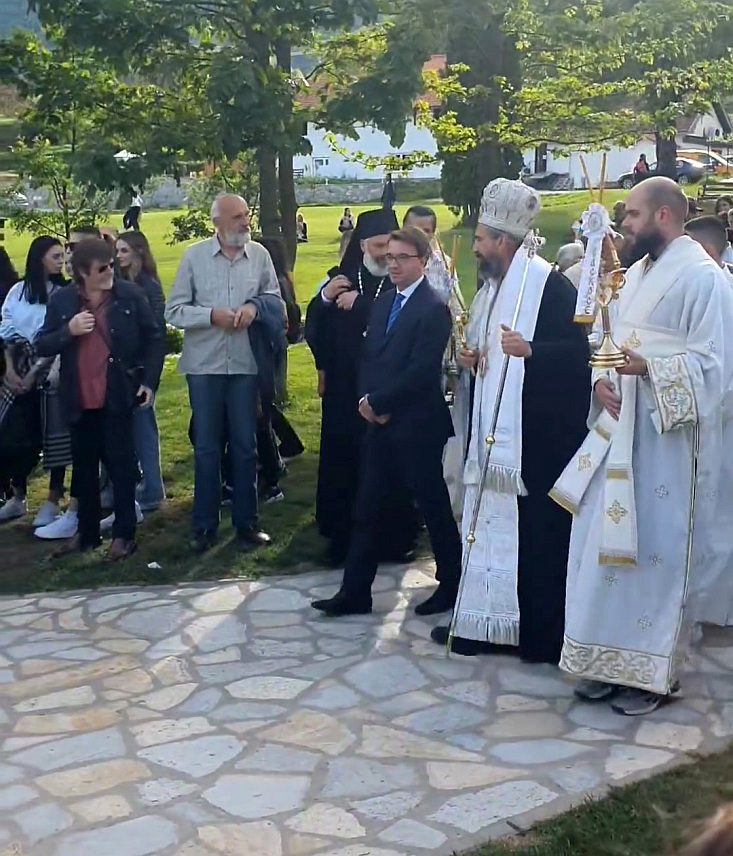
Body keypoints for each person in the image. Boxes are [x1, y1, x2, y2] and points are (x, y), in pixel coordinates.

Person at [554, 177, 733, 715]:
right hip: (619, 433)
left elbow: (717, 369)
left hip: (669, 445)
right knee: (605, 545)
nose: (623, 225)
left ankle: (655, 674)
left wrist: (648, 369)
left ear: (662, 216)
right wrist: (601, 382)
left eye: (631, 215)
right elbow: (607, 343)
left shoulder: (706, 280)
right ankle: (605, 661)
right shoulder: (633, 275)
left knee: (658, 551)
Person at [433, 178, 591, 663]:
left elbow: (581, 356)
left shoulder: (550, 285)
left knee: (537, 546)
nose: (476, 247)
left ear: (503, 241)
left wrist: (531, 351)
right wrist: (476, 355)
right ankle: (485, 624)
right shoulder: (495, 286)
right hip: (498, 441)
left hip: (537, 448)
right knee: (488, 535)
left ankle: (537, 636)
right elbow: (491, 348)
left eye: (480, 239)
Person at [312, 226, 461, 617]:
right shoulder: (383, 302)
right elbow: (371, 356)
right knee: (367, 506)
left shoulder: (433, 308)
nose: (392, 265)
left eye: (401, 258)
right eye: (389, 257)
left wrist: (381, 400)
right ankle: (355, 591)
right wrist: (369, 402)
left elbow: (422, 370)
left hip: (417, 425)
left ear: (423, 261)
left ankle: (453, 583)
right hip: (379, 422)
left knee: (432, 507)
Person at [165, 194, 282, 554]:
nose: (245, 222)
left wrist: (253, 308)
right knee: (206, 447)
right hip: (205, 366)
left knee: (246, 447)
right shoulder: (195, 257)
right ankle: (204, 525)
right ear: (217, 222)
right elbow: (173, 310)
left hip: (246, 364)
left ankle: (247, 523)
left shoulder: (260, 255)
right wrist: (210, 316)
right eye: (236, 217)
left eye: (247, 214)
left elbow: (275, 299)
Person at [36, 238, 164, 560]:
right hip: (79, 397)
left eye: (111, 265)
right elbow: (43, 344)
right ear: (82, 272)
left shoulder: (129, 296)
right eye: (102, 268)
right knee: (84, 469)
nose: (111, 271)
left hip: (117, 395)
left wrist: (148, 381)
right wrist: (70, 330)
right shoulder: (64, 302)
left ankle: (124, 535)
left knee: (121, 468)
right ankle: (87, 534)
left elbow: (154, 337)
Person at [304, 208, 420, 566]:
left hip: (388, 387)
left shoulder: (402, 280)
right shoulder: (342, 277)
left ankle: (395, 539)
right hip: (345, 389)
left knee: (389, 463)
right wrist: (324, 300)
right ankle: (341, 538)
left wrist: (360, 305)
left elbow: (410, 316)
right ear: (364, 245)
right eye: (380, 245)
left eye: (391, 245)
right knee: (345, 461)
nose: (387, 254)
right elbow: (314, 324)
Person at [0, 236, 71, 527]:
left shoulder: (64, 292)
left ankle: (54, 499)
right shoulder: (18, 291)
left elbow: (58, 337)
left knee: (53, 432)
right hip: (18, 364)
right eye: (55, 255)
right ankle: (17, 496)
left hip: (52, 367)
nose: (60, 261)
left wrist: (33, 374)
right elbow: (6, 331)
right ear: (39, 257)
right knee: (12, 434)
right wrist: (10, 371)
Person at [116, 231, 167, 514]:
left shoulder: (148, 285)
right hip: (127, 368)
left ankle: (152, 489)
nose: (119, 255)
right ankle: (143, 485)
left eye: (123, 250)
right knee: (133, 430)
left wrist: (150, 377)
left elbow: (156, 333)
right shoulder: (123, 283)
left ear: (137, 251)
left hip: (142, 369)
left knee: (144, 428)